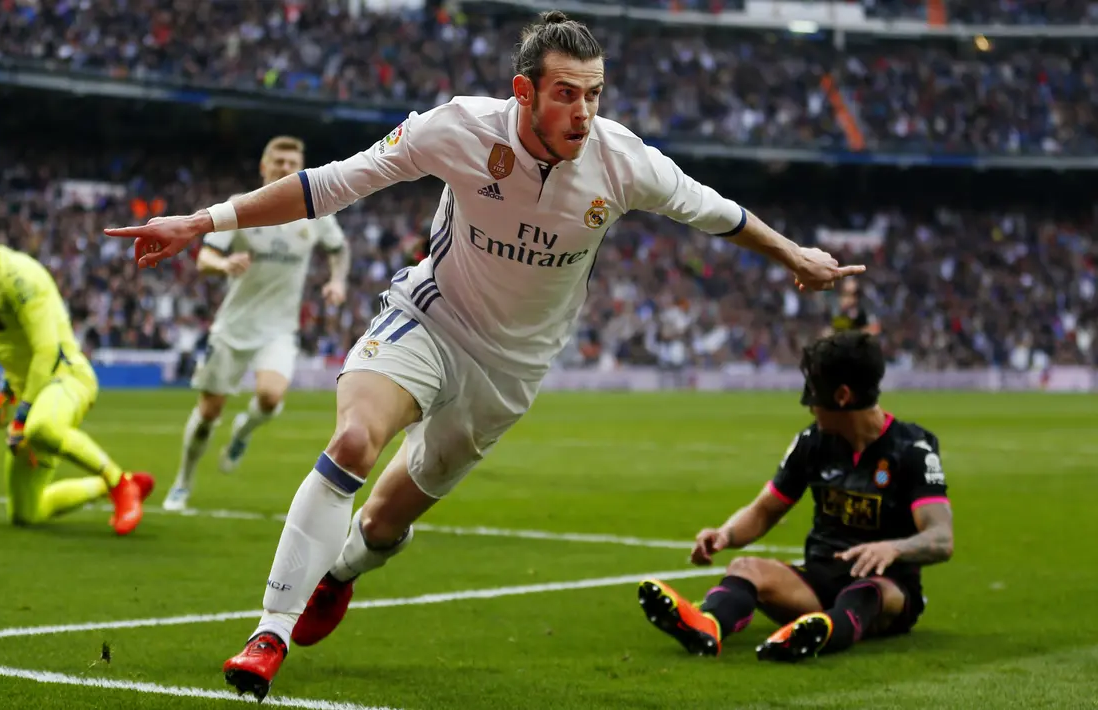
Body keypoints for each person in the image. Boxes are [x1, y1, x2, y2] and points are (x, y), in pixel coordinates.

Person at [104, 11, 865, 699]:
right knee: (352, 441)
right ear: (522, 92)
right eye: (566, 94)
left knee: (382, 525)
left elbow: (719, 212)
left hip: (508, 372)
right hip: (429, 320)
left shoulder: (623, 161)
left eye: (594, 94)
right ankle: (269, 630)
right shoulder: (459, 129)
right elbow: (331, 185)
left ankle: (338, 574)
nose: (584, 111)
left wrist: (792, 253)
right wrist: (200, 223)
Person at [637, 331, 953, 662]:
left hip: (889, 589)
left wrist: (894, 548)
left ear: (842, 396)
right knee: (745, 567)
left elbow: (941, 538)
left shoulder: (912, 449)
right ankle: (707, 626)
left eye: (814, 395)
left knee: (868, 591)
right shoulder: (812, 443)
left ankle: (820, 632)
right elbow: (764, 510)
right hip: (818, 581)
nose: (810, 406)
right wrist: (724, 534)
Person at [0, 189, 155, 535]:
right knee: (26, 513)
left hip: (66, 378)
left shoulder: (17, 273)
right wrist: (5, 394)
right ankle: (114, 484)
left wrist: (22, 415)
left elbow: (45, 349)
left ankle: (119, 484)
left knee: (41, 428)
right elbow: (14, 350)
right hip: (35, 389)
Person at [163, 136, 350, 512]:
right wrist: (223, 265)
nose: (284, 167)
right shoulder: (239, 208)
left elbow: (339, 250)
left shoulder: (316, 215)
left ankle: (242, 433)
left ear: (300, 168)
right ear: (264, 167)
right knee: (208, 412)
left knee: (270, 396)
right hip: (233, 327)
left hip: (279, 329)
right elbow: (204, 258)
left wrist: (337, 280)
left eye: (291, 162)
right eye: (277, 161)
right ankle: (183, 481)